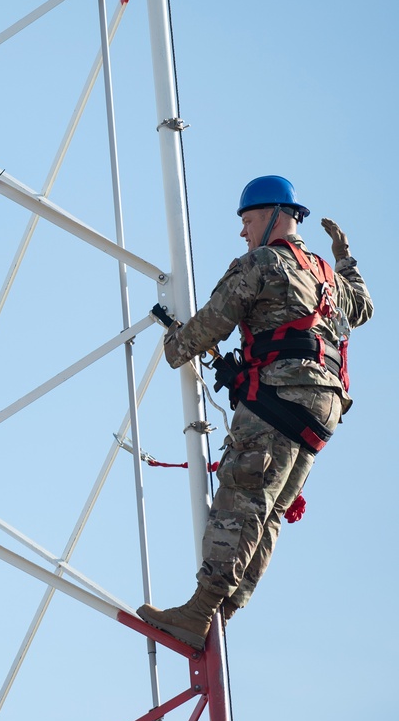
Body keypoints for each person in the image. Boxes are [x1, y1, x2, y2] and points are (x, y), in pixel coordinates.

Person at [137, 176, 373, 649]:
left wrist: (174, 341)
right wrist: (345, 257)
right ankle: (224, 610)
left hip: (278, 400)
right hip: (321, 411)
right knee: (270, 513)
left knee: (241, 499)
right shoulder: (325, 274)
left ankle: (200, 611)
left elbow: (200, 335)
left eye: (247, 221)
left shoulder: (262, 263)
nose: (242, 232)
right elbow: (363, 306)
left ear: (271, 216)